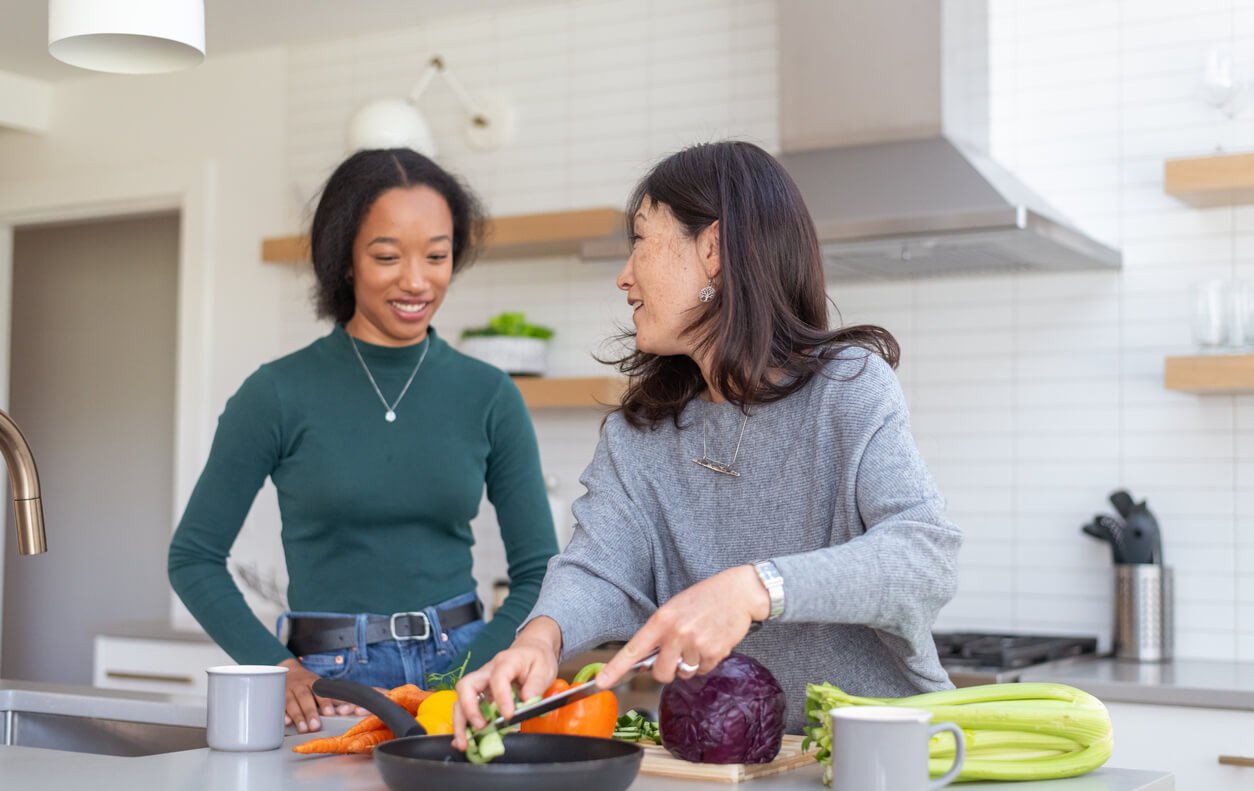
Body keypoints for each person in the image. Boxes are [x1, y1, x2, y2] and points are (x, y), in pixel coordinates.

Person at [453, 141, 961, 743]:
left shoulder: (846, 388)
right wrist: (541, 636)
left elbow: (924, 558)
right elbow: (599, 570)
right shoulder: (639, 433)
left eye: (640, 240)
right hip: (733, 764)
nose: (624, 274)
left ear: (713, 250)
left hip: (878, 758)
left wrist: (755, 589)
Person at [170, 149, 558, 734]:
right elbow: (193, 559)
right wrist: (275, 669)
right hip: (329, 681)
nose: (416, 280)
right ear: (345, 259)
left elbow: (541, 572)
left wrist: (474, 674)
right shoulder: (275, 393)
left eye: (437, 255)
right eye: (386, 256)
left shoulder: (490, 394)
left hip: (462, 667)